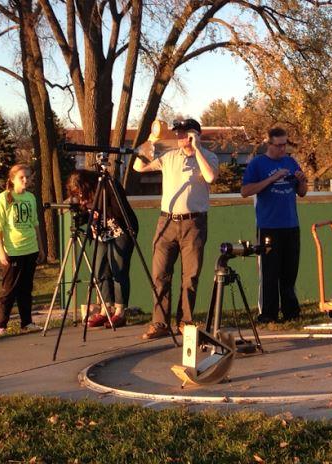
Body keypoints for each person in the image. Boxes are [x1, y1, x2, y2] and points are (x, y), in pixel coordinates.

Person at [132, 118, 219, 339]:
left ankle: (185, 321)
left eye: (185, 133)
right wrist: (152, 138)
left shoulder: (208, 157)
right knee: (160, 273)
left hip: (194, 223)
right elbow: (138, 166)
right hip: (167, 222)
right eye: (178, 133)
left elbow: (210, 177)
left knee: (190, 276)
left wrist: (197, 148)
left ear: (196, 134)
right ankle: (160, 323)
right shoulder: (169, 156)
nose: (180, 137)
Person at [241, 127, 307, 323]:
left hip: (290, 224)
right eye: (278, 145)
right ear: (269, 144)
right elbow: (245, 190)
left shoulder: (291, 161)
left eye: (285, 144)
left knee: (289, 271)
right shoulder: (258, 164)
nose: (282, 149)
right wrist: (272, 178)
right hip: (269, 225)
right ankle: (268, 314)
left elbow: (301, 192)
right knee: (270, 272)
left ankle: (291, 312)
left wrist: (302, 181)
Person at [66, 169, 138, 328]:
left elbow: (120, 210)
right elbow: (87, 215)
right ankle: (106, 308)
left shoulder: (108, 187)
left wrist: (98, 208)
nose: (81, 196)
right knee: (100, 269)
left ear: (87, 185)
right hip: (99, 234)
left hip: (120, 230)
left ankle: (120, 311)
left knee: (118, 270)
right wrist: (81, 215)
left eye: (81, 192)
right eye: (77, 193)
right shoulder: (84, 197)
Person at [0, 164, 45, 335]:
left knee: (26, 289)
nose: (26, 180)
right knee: (8, 289)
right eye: (21, 177)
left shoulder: (30, 198)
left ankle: (26, 323)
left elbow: (35, 223)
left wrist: (41, 247)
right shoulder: (4, 198)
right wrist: (1, 251)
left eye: (28, 177)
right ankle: (1, 325)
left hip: (31, 249)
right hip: (13, 251)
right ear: (13, 179)